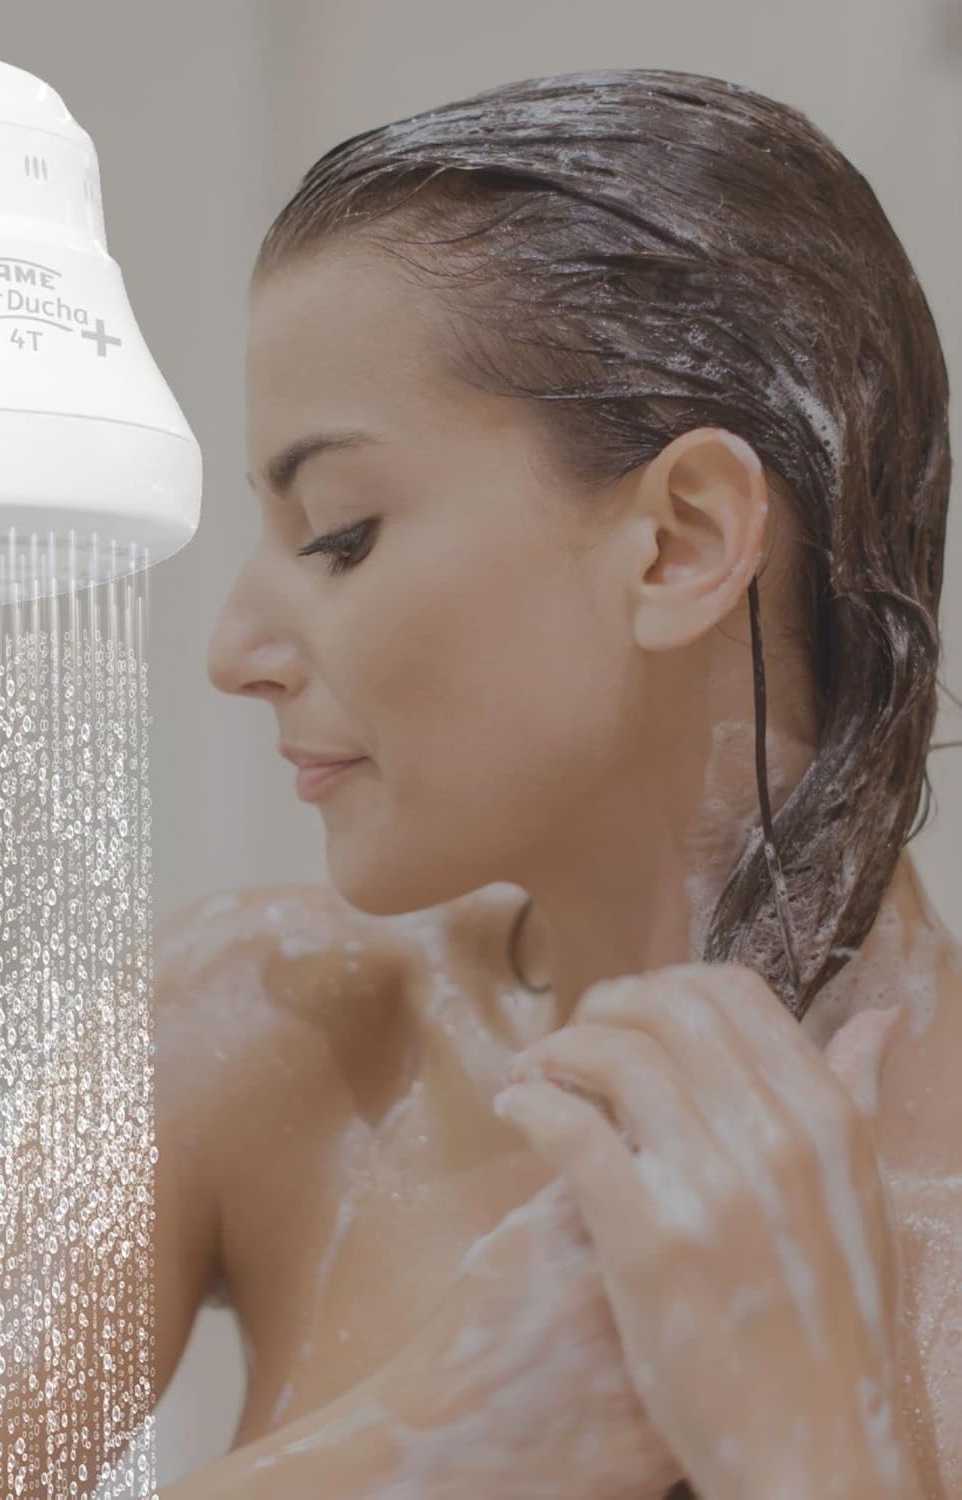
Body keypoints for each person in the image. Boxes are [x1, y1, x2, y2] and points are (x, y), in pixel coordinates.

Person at [181, 65, 960, 1500]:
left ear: (679, 541)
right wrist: (433, 1438)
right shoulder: (254, 1033)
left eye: (341, 533)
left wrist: (817, 1460)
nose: (235, 653)